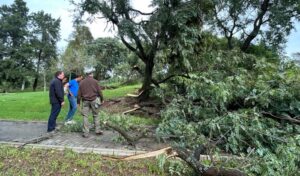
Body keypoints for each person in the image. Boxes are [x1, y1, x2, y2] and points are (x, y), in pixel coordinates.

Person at [77, 69, 104, 138]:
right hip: (94, 100)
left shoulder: (81, 82)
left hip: (85, 101)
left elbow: (79, 94)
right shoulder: (95, 81)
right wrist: (102, 99)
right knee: (96, 115)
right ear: (91, 74)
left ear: (86, 74)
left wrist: (78, 103)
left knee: (85, 116)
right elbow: (99, 92)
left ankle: (86, 133)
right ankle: (97, 131)